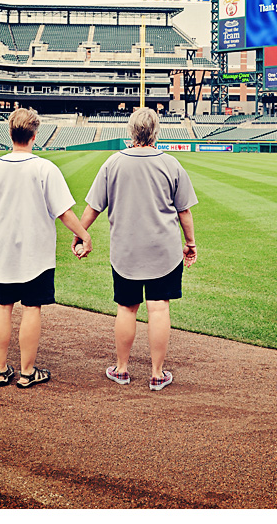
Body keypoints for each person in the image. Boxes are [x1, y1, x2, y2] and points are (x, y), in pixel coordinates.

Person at [74, 107, 198, 391]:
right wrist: (190, 244)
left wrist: (81, 234)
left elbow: (93, 207)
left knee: (127, 309)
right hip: (163, 251)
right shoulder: (171, 163)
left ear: (131, 131)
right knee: (158, 309)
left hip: (126, 251)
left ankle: (121, 369)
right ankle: (156, 374)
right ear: (156, 132)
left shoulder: (113, 163)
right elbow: (185, 212)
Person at [0, 107, 92, 388]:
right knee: (31, 307)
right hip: (35, 255)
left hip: (2, 253)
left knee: (2, 307)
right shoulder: (45, 168)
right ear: (35, 135)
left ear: (11, 133)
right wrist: (84, 235)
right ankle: (27, 372)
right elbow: (64, 212)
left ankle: (1, 370)